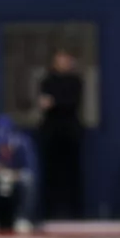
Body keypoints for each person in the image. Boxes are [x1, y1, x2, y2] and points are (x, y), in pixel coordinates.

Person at [38, 49, 84, 219]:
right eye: (59, 59)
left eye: (65, 59)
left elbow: (71, 103)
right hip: (51, 134)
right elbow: (44, 103)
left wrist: (55, 103)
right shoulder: (47, 81)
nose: (62, 62)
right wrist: (53, 104)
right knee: (51, 174)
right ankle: (49, 212)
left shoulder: (75, 81)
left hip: (70, 133)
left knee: (71, 174)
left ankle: (75, 212)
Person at [0, 115, 35, 233]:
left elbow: (29, 169)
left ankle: (22, 219)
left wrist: (15, 174)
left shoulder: (23, 144)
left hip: (15, 177)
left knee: (27, 180)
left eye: (7, 144)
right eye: (1, 145)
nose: (5, 147)